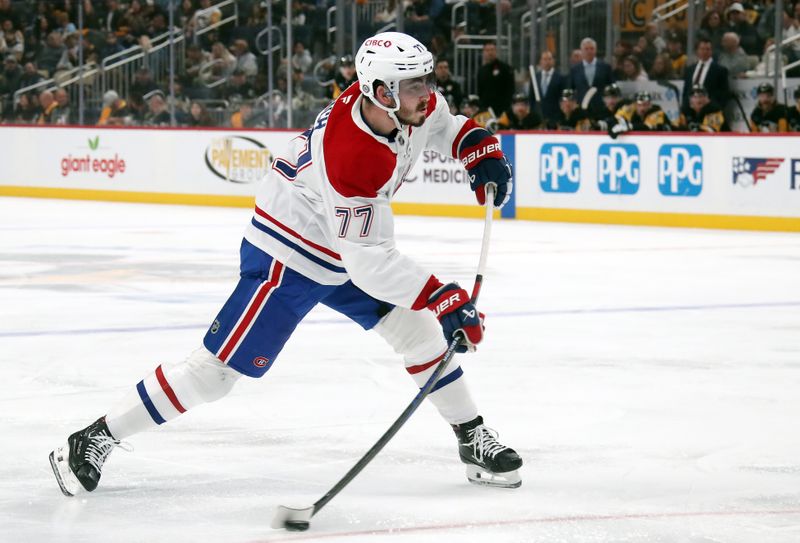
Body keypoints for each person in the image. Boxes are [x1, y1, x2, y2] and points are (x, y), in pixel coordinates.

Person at [49, 31, 521, 498]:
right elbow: (371, 262)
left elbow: (441, 122)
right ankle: (94, 437)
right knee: (214, 375)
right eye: (416, 85)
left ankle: (471, 437)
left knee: (419, 334)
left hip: (343, 247)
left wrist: (475, 144)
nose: (429, 93)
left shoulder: (400, 102)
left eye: (427, 79)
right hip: (291, 251)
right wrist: (441, 296)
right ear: (381, 92)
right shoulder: (353, 154)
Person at [569, 37, 614, 116]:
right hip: (581, 108)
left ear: (595, 50)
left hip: (601, 107)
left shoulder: (605, 67)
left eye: (592, 48)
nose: (589, 51)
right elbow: (571, 89)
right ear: (581, 51)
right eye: (586, 49)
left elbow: (611, 86)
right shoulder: (575, 69)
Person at [682, 38, 729, 109]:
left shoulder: (720, 70)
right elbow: (686, 91)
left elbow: (724, 93)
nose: (705, 52)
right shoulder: (690, 70)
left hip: (709, 109)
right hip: (690, 109)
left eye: (708, 49)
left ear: (711, 51)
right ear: (697, 51)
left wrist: (712, 104)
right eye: (702, 49)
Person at [476, 41, 514, 118]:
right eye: (487, 50)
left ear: (496, 51)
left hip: (502, 110)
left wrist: (506, 109)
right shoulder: (481, 70)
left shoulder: (505, 68)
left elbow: (510, 89)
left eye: (492, 50)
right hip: (486, 110)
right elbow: (480, 91)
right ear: (483, 52)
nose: (490, 52)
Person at [530, 50, 566, 126]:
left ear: (553, 61)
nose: (547, 62)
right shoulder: (535, 78)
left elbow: (562, 99)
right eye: (544, 59)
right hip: (538, 118)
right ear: (540, 61)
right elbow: (531, 98)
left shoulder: (560, 78)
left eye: (549, 59)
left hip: (555, 118)